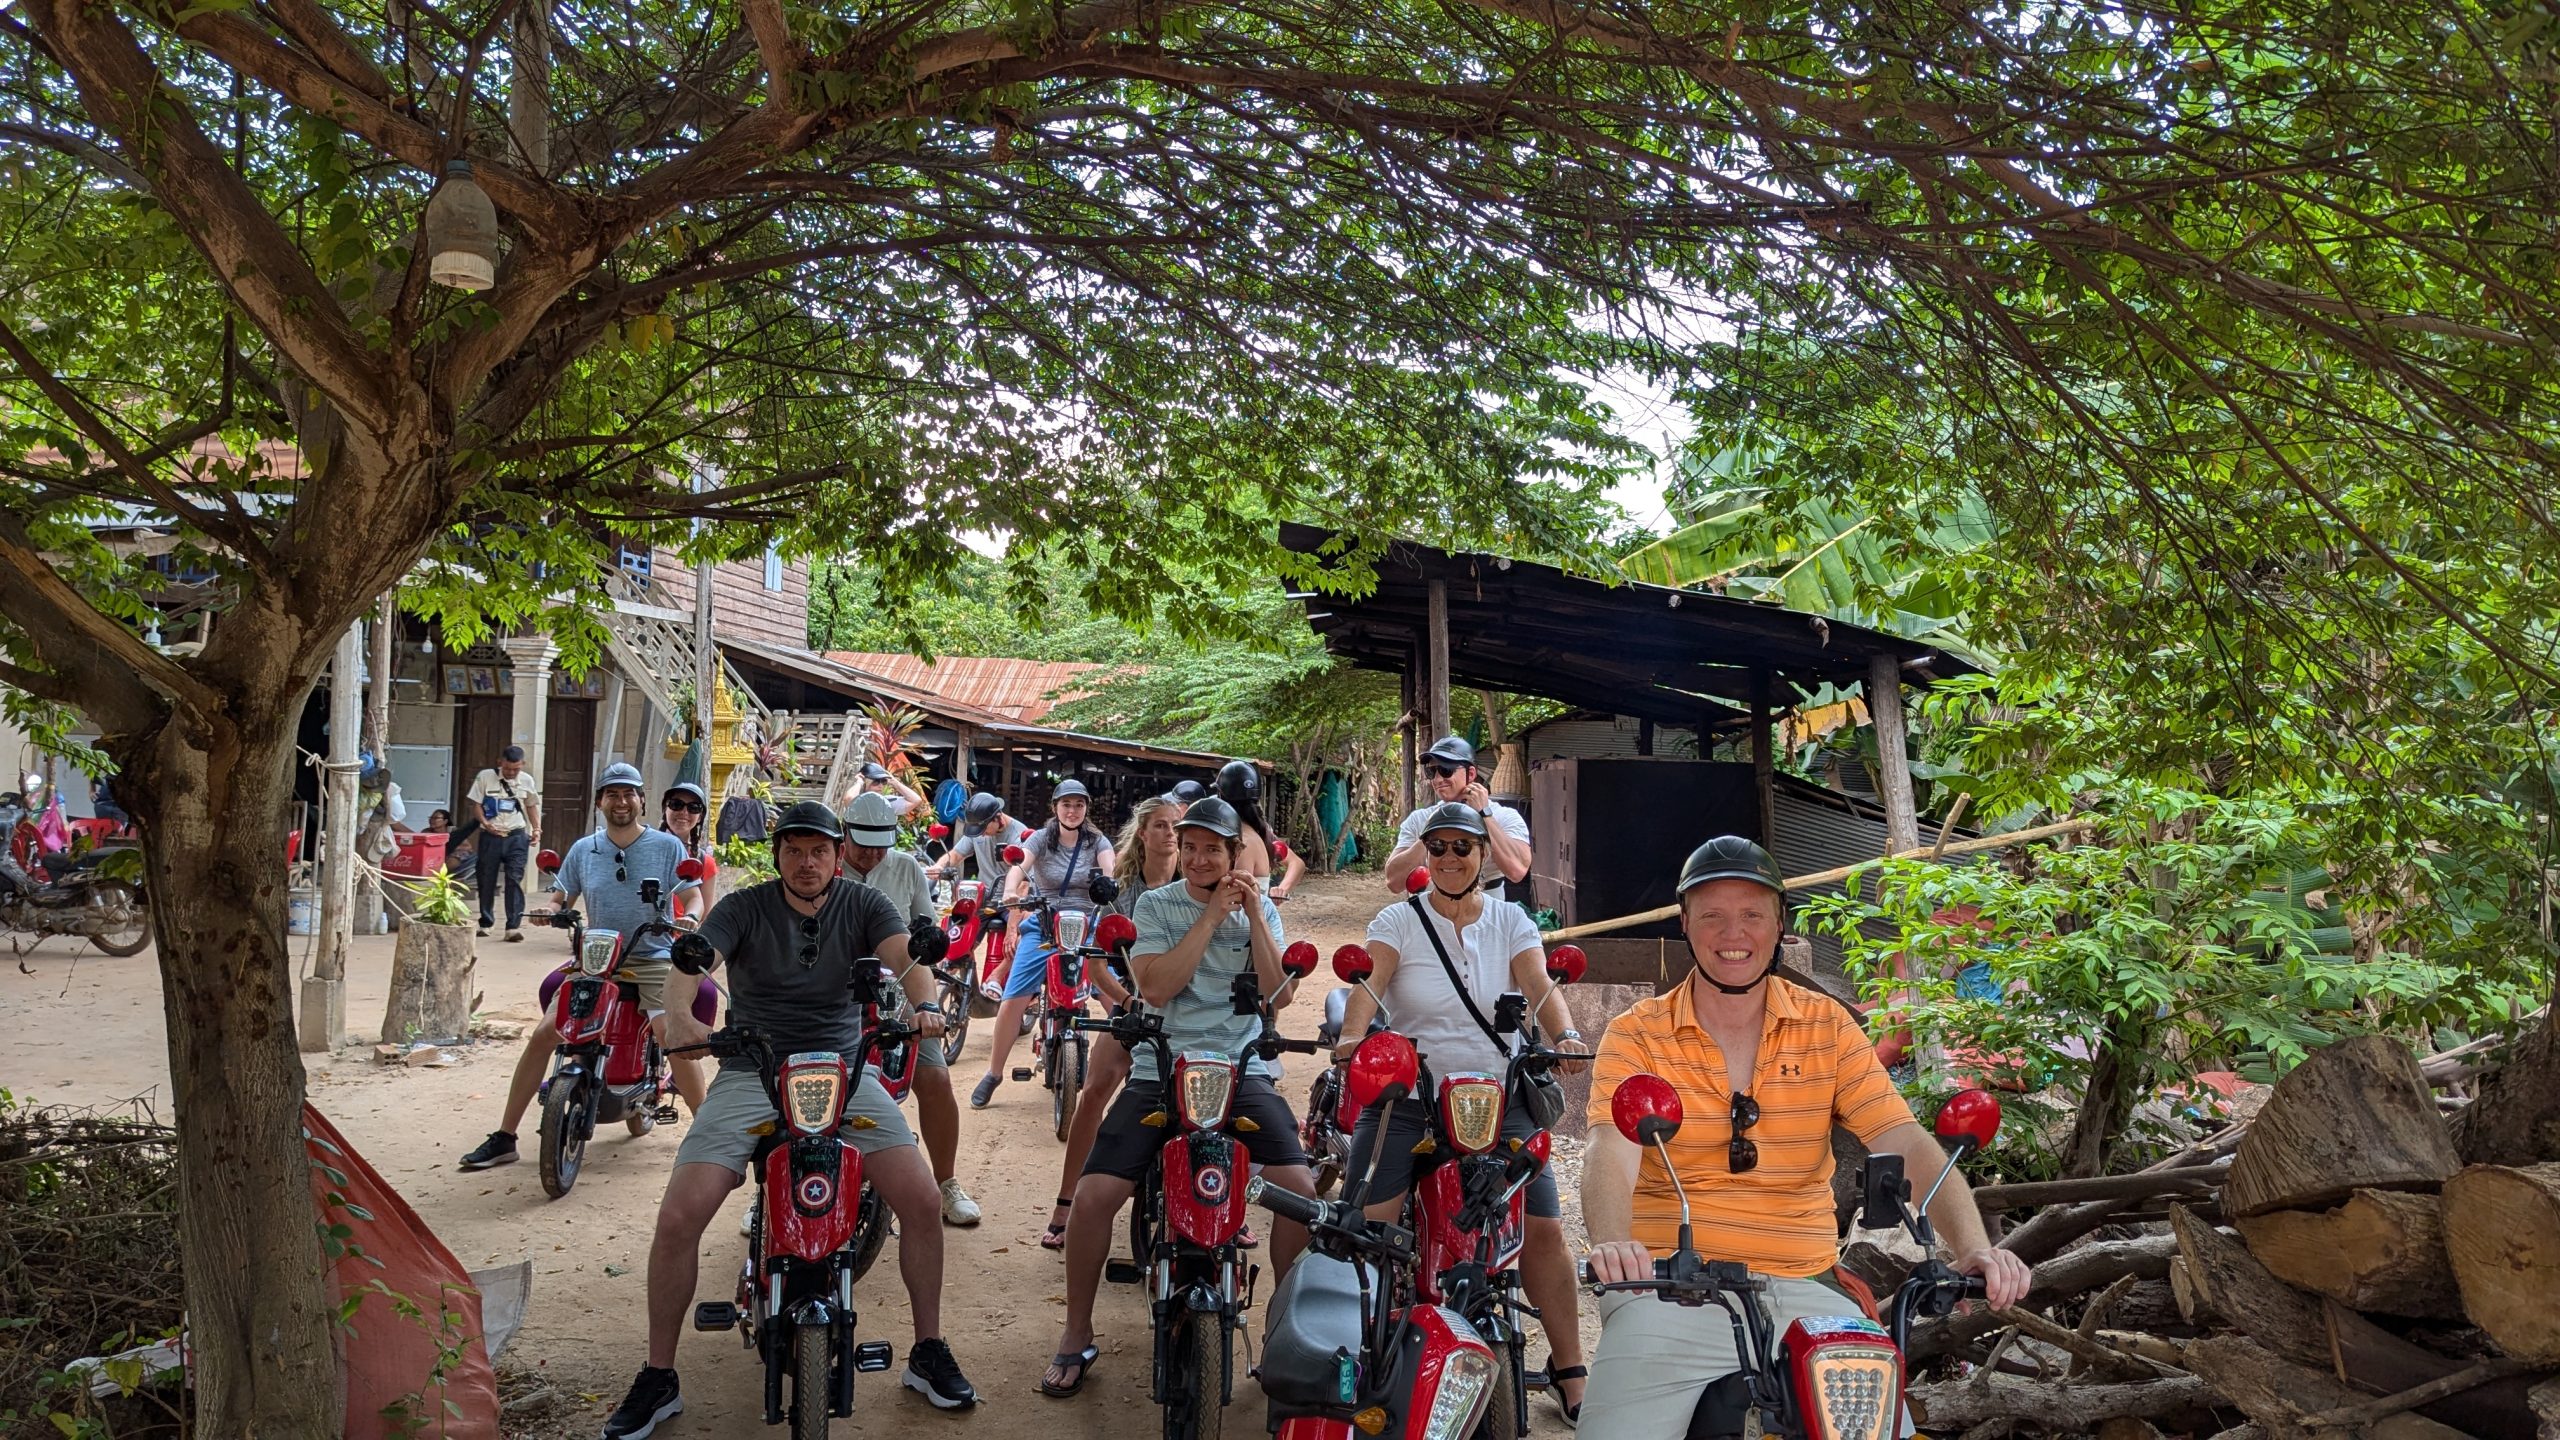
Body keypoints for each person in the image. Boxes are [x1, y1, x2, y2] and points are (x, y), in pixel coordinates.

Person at [1578, 836, 2032, 1438]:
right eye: (1711, 914)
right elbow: (1611, 1150)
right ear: (1685, 924)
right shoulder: (1637, 1035)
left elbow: (1905, 1139)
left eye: (1751, 914)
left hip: (1806, 1284)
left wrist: (1972, 1247)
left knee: (1880, 1426)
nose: (1731, 932)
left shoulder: (1827, 1026)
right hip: (1669, 1285)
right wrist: (1613, 1245)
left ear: (1778, 924)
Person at [603, 802, 977, 1438]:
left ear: (838, 854)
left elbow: (907, 961)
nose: (808, 863)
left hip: (844, 1072)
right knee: (678, 1216)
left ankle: (928, 1349)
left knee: (918, 1200)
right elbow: (690, 964)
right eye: (795, 850)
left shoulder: (863, 904)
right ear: (778, 854)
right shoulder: (744, 907)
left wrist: (926, 1006)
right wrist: (681, 1018)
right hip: (752, 1069)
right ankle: (658, 1374)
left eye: (819, 851)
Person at [1038, 796, 1317, 1399]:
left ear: (1234, 853)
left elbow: (1278, 998)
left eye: (1210, 848)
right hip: (1161, 1065)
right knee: (1093, 1197)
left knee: (1299, 1191)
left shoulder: (1261, 906)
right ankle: (1075, 1331)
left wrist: (1255, 918)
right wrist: (1212, 919)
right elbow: (1157, 988)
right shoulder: (1157, 904)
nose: (1196, 858)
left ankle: (1282, 1332)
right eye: (1188, 847)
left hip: (1241, 1069)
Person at [1328, 801, 1593, 1420]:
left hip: (1497, 1097)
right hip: (1414, 1094)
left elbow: (1540, 986)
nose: (1449, 858)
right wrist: (1354, 1039)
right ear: (1425, 851)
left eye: (1462, 848)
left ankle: (1570, 1367)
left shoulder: (1511, 920)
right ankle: (1368, 1341)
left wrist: (1566, 1036)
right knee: (1369, 1225)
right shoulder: (1397, 919)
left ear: (1482, 856)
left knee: (1545, 1228)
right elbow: (1369, 985)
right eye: (1438, 846)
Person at [458, 765, 704, 1173]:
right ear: (599, 802)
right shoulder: (583, 849)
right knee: (544, 1033)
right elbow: (561, 898)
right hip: (595, 957)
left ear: (642, 800)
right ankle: (505, 1136)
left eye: (629, 794)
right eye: (612, 794)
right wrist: (548, 910)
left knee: (671, 1033)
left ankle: (706, 1138)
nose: (621, 802)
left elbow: (693, 897)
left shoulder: (667, 847)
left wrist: (690, 918)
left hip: (652, 955)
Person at [839, 792, 983, 1226]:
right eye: (862, 842)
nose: (870, 852)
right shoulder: (822, 866)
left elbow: (925, 934)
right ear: (843, 836)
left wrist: (928, 951)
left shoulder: (905, 869)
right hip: (834, 1000)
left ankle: (946, 1183)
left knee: (936, 1078)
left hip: (899, 995)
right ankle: (769, 1193)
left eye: (879, 842)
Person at [1039, 792, 1170, 1249]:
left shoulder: (1202, 888)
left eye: (1180, 827)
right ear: (1143, 834)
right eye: (1161, 826)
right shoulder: (1121, 893)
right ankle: (1066, 1200)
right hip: (1132, 1008)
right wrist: (1129, 1003)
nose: (1171, 835)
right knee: (1095, 1087)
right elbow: (1098, 969)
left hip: (1187, 1015)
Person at [971, 779, 1116, 1108]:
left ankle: (1138, 1067)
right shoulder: (1041, 838)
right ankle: (993, 1073)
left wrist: (1110, 883)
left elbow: (1110, 867)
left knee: (1113, 992)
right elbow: (1020, 866)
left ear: (1086, 809)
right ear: (1055, 807)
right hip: (1044, 921)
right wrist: (1011, 890)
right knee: (1014, 996)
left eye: (1079, 805)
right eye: (1066, 804)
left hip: (1088, 922)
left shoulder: (1097, 840)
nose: (1072, 810)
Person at [1382, 736, 1529, 901]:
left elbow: (1517, 871)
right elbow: (1394, 882)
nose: (1437, 779)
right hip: (1429, 916)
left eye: (1446, 770)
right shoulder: (1420, 819)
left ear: (1471, 773)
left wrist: (1484, 815)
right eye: (1432, 771)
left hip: (1487, 917)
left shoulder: (1504, 816)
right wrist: (1433, 831)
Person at [462, 744, 541, 940]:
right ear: (501, 763)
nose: (512, 772)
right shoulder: (485, 777)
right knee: (486, 879)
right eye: (508, 768)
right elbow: (477, 805)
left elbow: (531, 806)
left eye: (516, 769)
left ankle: (512, 927)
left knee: (514, 879)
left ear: (522, 765)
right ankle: (486, 923)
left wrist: (537, 829)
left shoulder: (527, 780)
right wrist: (485, 823)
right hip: (491, 836)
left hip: (516, 836)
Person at [1214, 760, 1306, 901]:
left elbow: (1236, 901)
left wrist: (1281, 890)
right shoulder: (1258, 831)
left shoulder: (1246, 840)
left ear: (1220, 797)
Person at [659, 782, 716, 924]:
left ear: (700, 817)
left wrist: (689, 919)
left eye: (693, 808)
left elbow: (703, 916)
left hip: (678, 938)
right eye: (676, 804)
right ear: (665, 809)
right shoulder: (646, 850)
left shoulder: (704, 862)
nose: (684, 812)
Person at [840, 760, 925, 818]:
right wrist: (859, 782)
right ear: (865, 782)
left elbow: (915, 800)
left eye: (883, 781)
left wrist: (894, 782)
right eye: (876, 781)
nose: (880, 785)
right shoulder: (858, 802)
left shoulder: (887, 803)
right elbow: (849, 799)